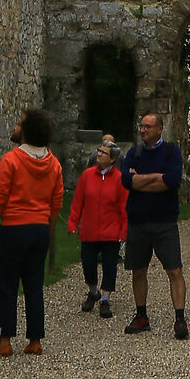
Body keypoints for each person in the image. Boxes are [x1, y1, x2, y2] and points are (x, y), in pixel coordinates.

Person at [0, 108, 64, 356]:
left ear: (26, 132)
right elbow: (56, 201)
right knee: (34, 284)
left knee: (7, 284)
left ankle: (5, 339)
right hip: (39, 228)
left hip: (13, 227)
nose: (15, 128)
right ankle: (35, 339)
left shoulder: (11, 160)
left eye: (19, 125)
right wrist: (49, 230)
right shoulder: (54, 164)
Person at [119, 109, 188, 337]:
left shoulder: (171, 152)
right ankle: (141, 315)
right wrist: (155, 177)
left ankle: (180, 318)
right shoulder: (134, 152)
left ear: (159, 129)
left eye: (148, 127)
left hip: (164, 221)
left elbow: (171, 180)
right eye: (141, 126)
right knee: (138, 270)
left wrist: (141, 180)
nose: (143, 130)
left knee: (174, 270)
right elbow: (126, 181)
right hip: (138, 222)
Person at [68, 134, 128, 318]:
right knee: (88, 264)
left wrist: (124, 230)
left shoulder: (119, 178)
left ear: (112, 159)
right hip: (89, 229)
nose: (99, 154)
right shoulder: (87, 175)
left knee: (110, 265)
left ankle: (105, 298)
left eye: (104, 152)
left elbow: (123, 206)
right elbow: (78, 200)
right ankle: (93, 290)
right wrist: (73, 222)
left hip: (111, 231)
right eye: (99, 151)